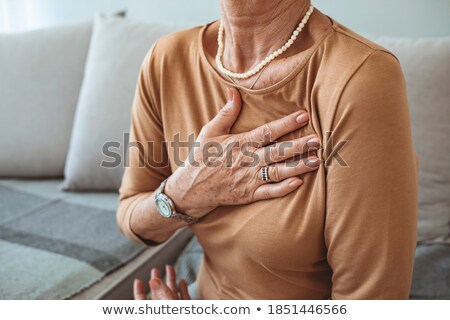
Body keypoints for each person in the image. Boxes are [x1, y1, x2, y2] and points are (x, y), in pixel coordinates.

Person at [118, 0, 418, 300]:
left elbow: (372, 301)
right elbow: (133, 219)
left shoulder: (361, 77)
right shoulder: (167, 59)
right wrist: (185, 193)